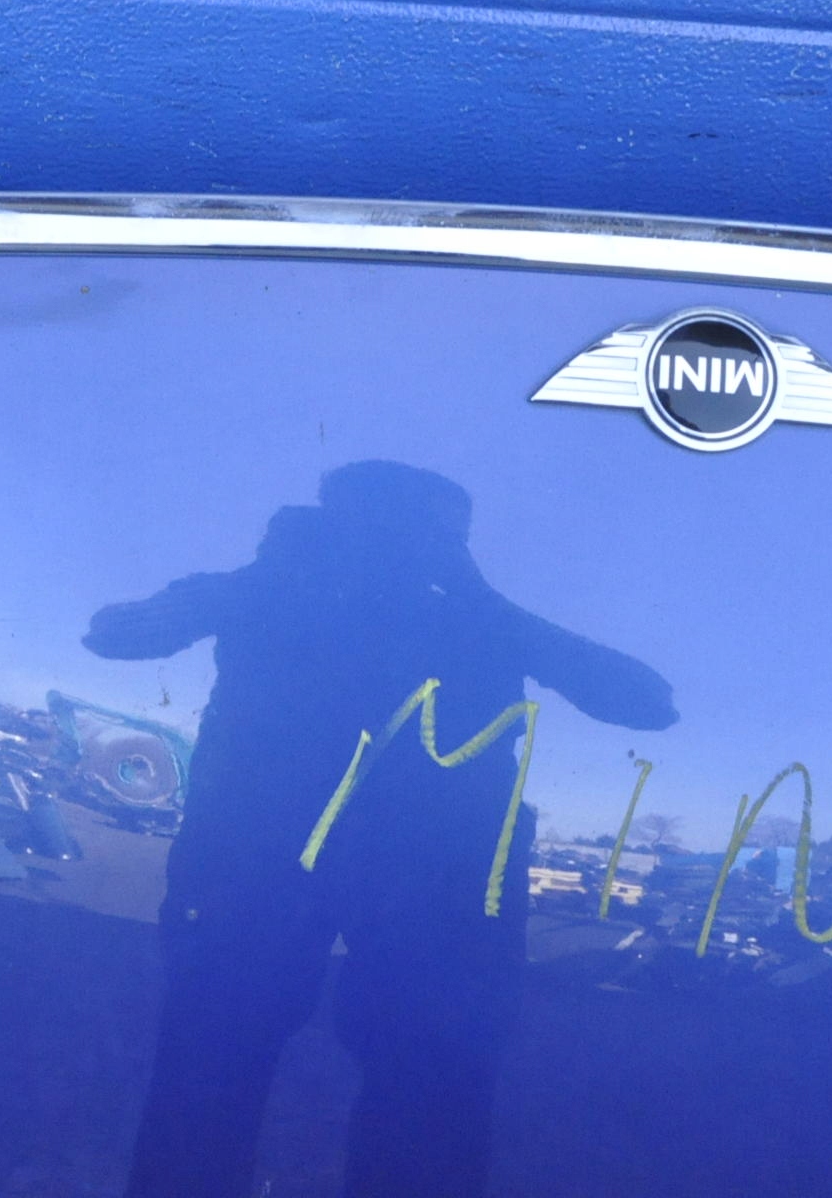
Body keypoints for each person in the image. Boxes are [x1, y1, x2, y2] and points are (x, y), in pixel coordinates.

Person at [88, 461, 675, 1197]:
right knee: (246, 1063)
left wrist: (478, 599)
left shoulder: (465, 615)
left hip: (363, 874)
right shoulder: (295, 591)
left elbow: (650, 703)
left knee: (270, 1070)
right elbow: (113, 634)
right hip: (319, 868)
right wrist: (267, 579)